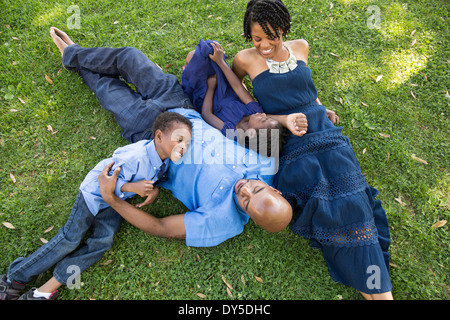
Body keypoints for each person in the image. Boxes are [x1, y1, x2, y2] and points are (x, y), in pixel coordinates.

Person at [1, 27, 293, 300]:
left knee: (106, 88)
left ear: (250, 218)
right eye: (255, 190)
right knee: (129, 56)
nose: (244, 190)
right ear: (274, 190)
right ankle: (72, 54)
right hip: (179, 105)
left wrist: (112, 199)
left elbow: (161, 227)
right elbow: (272, 121)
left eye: (245, 202)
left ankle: (73, 56)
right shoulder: (268, 167)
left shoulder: (222, 222)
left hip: (152, 139)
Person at [231, 0, 393, 300]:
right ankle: (377, 291)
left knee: (355, 201)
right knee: (328, 207)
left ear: (283, 29)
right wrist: (281, 120)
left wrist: (323, 107)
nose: (264, 45)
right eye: (257, 38)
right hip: (290, 141)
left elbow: (309, 91)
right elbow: (242, 99)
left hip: (324, 131)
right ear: (248, 35)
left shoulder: (301, 47)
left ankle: (376, 290)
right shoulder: (244, 59)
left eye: (272, 36)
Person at [0, 111, 192, 300]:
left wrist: (153, 190)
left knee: (103, 241)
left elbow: (153, 178)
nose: (183, 147)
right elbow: (106, 178)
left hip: (116, 203)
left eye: (187, 143)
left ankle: (43, 291)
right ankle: (13, 279)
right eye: (179, 139)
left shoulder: (164, 162)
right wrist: (132, 186)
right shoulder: (137, 155)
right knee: (70, 239)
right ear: (159, 136)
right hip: (94, 195)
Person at [182, 39, 308, 157]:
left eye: (263, 120)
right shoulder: (254, 111)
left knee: (193, 56)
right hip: (224, 88)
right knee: (210, 49)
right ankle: (194, 68)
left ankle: (187, 71)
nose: (263, 114)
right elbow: (238, 87)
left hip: (205, 98)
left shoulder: (232, 132)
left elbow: (206, 114)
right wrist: (220, 62)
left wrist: (211, 87)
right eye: (267, 117)